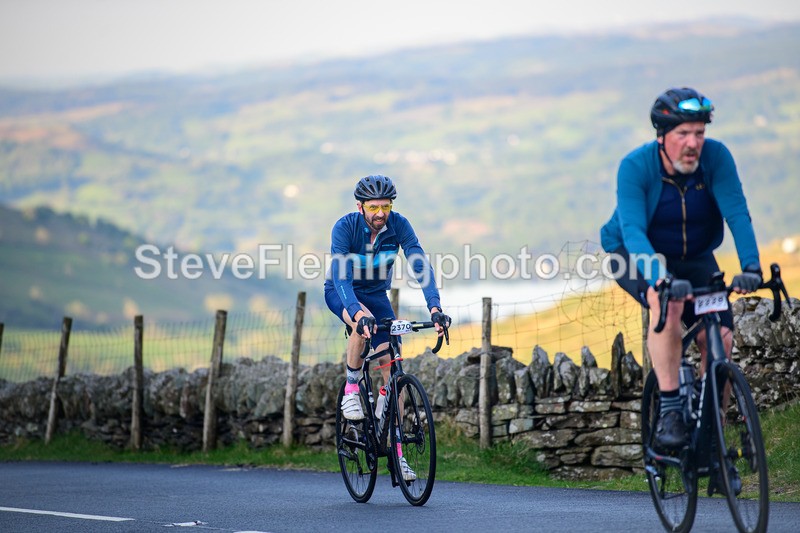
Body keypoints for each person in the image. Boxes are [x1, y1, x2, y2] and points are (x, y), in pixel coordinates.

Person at [600, 87, 762, 453]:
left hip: (695, 257)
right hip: (633, 253)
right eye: (683, 134)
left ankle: (712, 434)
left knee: (720, 336)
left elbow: (737, 212)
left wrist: (751, 265)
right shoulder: (636, 167)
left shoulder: (716, 158)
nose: (693, 143)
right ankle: (671, 408)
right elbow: (634, 234)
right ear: (662, 136)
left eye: (699, 133)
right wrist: (658, 279)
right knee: (666, 304)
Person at [324, 174, 451, 481]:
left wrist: (434, 307)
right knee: (361, 323)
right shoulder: (345, 228)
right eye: (374, 207)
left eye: (386, 206)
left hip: (377, 295)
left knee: (392, 368)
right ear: (360, 206)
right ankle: (352, 388)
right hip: (343, 293)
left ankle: (395, 450)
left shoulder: (399, 225)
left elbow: (419, 263)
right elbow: (341, 278)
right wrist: (356, 313)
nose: (381, 213)